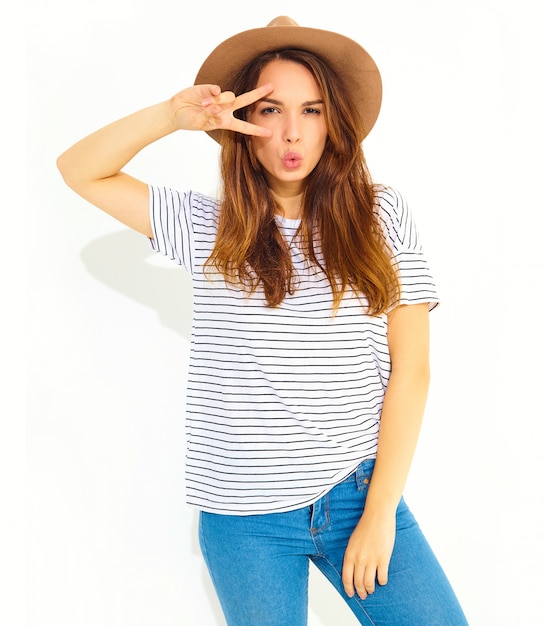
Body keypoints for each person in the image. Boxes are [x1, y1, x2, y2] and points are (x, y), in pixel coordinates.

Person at [57, 15, 468, 626]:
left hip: (356, 491)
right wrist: (174, 117)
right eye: (271, 110)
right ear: (244, 124)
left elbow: (413, 372)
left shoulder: (382, 214)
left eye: (312, 110)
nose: (291, 133)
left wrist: (381, 511)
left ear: (337, 123)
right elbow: (79, 168)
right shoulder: (208, 226)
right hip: (243, 516)